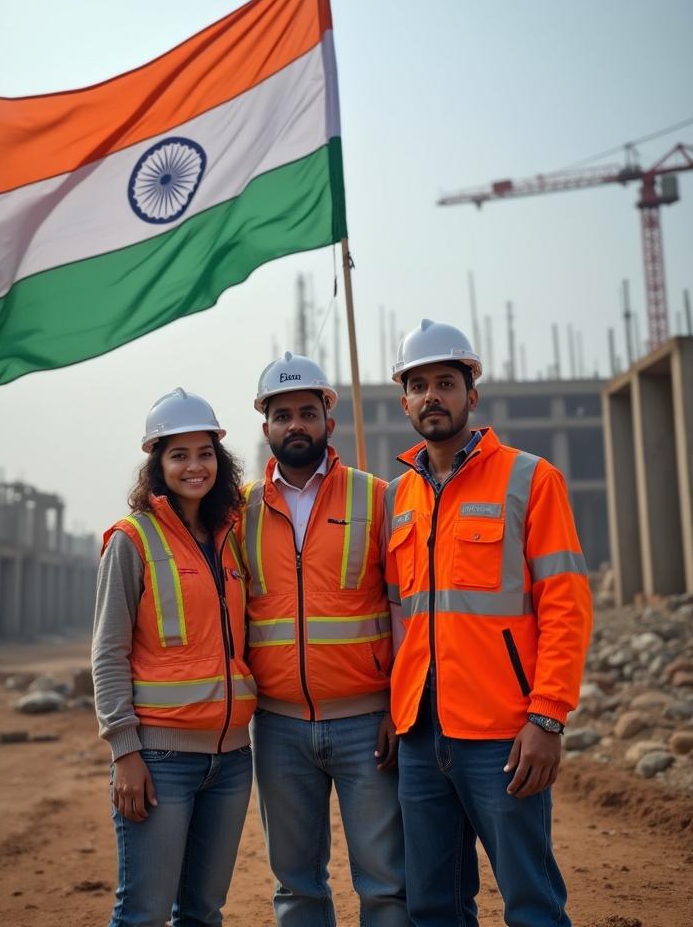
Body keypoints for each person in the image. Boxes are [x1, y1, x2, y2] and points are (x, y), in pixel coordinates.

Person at [385, 320, 593, 927]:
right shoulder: (398, 498)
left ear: (471, 394)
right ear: (404, 402)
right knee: (433, 905)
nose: (432, 397)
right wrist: (394, 714)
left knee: (530, 900)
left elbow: (566, 606)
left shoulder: (530, 480)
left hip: (503, 736)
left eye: (446, 382)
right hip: (421, 735)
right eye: (418, 385)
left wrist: (547, 716)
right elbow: (400, 617)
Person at [237, 352, 409, 927]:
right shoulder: (240, 511)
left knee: (386, 882)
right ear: (266, 428)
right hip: (278, 725)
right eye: (282, 415)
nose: (296, 425)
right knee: (296, 885)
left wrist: (395, 706)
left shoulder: (376, 497)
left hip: (368, 725)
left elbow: (401, 605)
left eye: (307, 413)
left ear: (329, 422)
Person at [92, 388, 256, 927]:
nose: (194, 466)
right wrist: (124, 752)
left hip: (232, 760)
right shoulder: (131, 540)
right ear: (158, 463)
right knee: (144, 913)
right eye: (179, 454)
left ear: (219, 459)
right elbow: (109, 651)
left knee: (205, 913)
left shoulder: (232, 537)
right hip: (161, 761)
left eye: (205, 453)